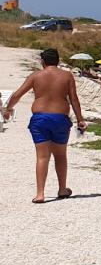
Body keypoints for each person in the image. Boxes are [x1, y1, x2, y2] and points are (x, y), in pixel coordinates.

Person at [3, 48, 86, 203]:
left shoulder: (36, 76)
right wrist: (80, 119)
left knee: (42, 156)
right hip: (60, 119)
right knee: (60, 155)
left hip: (40, 119)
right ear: (58, 61)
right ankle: (62, 189)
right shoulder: (67, 76)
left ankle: (40, 194)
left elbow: (17, 94)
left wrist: (8, 110)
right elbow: (74, 99)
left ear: (43, 61)